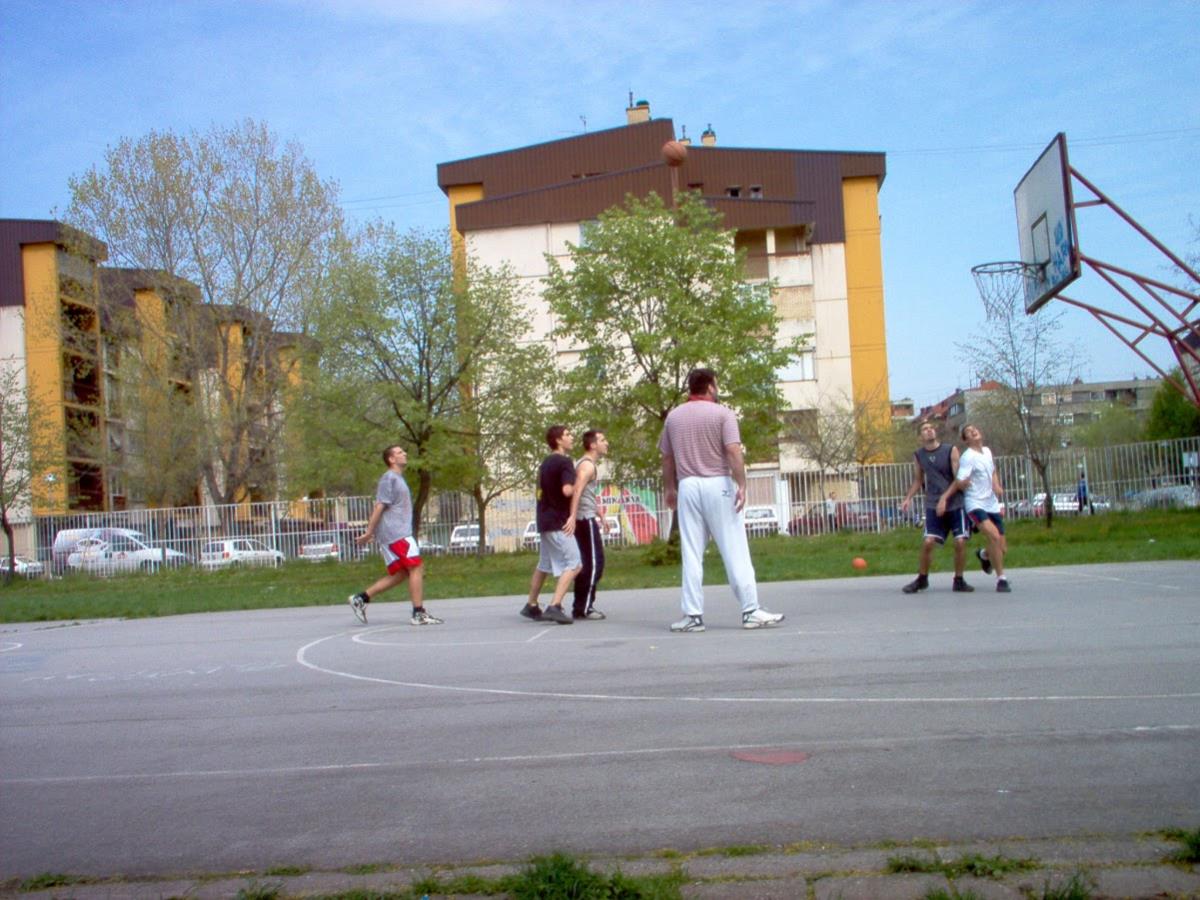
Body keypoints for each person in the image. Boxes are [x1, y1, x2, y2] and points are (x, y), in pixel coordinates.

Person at [658, 367, 785, 632]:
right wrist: (742, 483)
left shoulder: (674, 417)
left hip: (688, 485)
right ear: (710, 387)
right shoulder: (723, 414)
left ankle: (692, 616)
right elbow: (732, 450)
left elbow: (667, 458)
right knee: (735, 547)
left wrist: (670, 489)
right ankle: (750, 610)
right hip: (718, 483)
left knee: (691, 553)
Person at [348, 445, 443, 625]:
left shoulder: (397, 478)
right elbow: (379, 506)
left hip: (396, 533)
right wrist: (369, 532)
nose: (404, 454)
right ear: (391, 459)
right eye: (399, 452)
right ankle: (418, 613)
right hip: (397, 533)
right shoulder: (389, 478)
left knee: (401, 574)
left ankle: (361, 598)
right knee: (416, 567)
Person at [898, 420, 973, 593]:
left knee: (960, 541)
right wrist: (908, 498)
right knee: (928, 542)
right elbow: (918, 480)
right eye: (925, 429)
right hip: (933, 504)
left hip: (955, 503)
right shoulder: (918, 455)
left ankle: (959, 579)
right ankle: (922, 579)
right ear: (920, 436)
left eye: (931, 428)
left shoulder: (950, 450)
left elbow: (958, 479)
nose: (929, 431)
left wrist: (945, 498)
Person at [937, 424, 1010, 593]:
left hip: (991, 503)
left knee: (1002, 547)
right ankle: (1001, 579)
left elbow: (992, 471)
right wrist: (952, 492)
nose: (974, 431)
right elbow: (959, 481)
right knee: (993, 536)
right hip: (975, 503)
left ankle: (984, 555)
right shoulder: (968, 457)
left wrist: (996, 485)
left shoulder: (987, 451)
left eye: (975, 429)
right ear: (966, 440)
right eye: (969, 432)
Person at [521, 426, 581, 625]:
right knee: (574, 563)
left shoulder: (545, 463)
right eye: (567, 435)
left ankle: (531, 604)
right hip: (558, 521)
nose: (571, 438)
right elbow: (566, 490)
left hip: (544, 520)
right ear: (557, 440)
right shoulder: (565, 462)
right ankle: (555, 605)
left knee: (544, 564)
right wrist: (578, 483)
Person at [565, 429, 608, 621]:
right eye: (602, 440)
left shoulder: (586, 464)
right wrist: (573, 516)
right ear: (592, 445)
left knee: (586, 565)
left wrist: (601, 515)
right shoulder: (587, 466)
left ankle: (580, 606)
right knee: (594, 564)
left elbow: (588, 495)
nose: (606, 443)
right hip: (584, 520)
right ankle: (585, 608)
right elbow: (577, 491)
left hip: (587, 517)